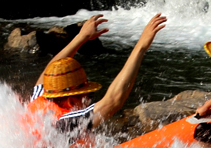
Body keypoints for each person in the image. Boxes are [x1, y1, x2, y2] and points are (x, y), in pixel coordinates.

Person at [28, 12, 167, 138]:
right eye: (88, 95)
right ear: (70, 101)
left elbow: (49, 72)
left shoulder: (39, 99)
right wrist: (141, 47)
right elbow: (113, 101)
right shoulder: (64, 122)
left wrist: (81, 37)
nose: (90, 100)